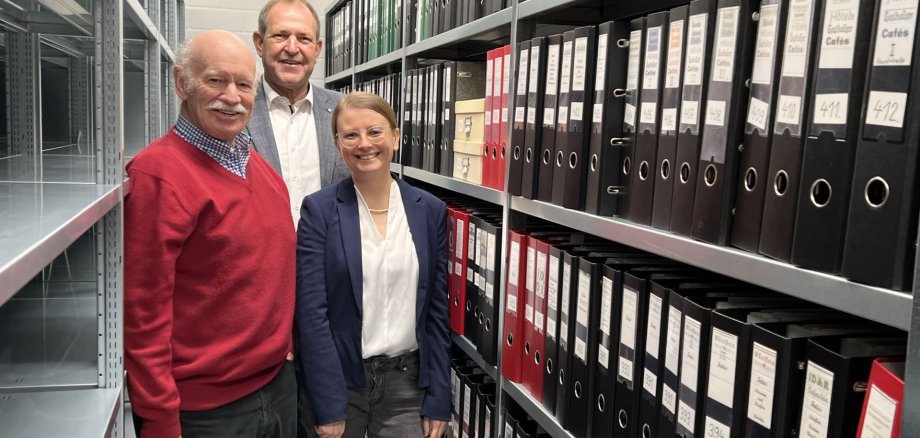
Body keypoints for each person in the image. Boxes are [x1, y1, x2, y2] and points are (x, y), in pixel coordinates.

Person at [123, 30, 297, 438]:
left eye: (244, 84)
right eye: (216, 80)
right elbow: (143, 313)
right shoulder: (157, 176)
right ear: (183, 82)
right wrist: (159, 420)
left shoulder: (259, 167)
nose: (232, 97)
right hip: (205, 413)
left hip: (278, 388)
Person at [295, 92, 451, 438]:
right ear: (338, 145)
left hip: (408, 386)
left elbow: (437, 310)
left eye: (375, 132)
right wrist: (326, 401)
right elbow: (311, 314)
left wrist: (440, 394)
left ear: (396, 136)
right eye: (351, 135)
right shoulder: (319, 211)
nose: (364, 144)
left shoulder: (430, 210)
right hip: (341, 382)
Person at [249, 0, 348, 226]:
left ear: (317, 49)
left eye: (304, 38)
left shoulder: (344, 111)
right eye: (280, 36)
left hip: (328, 258)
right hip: (262, 258)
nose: (292, 48)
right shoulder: (236, 111)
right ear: (259, 43)